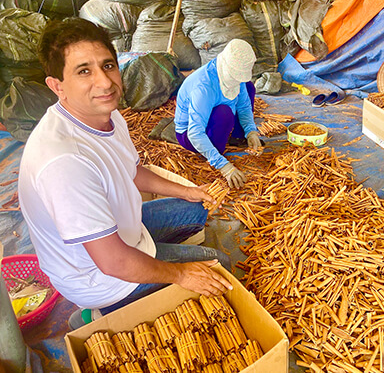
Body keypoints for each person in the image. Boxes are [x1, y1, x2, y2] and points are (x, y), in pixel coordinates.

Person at [18, 18, 233, 330]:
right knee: (218, 265)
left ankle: (149, 277)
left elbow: (130, 171)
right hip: (100, 276)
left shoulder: (107, 114)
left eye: (108, 66)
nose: (105, 83)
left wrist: (188, 191)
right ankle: (102, 310)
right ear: (57, 86)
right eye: (84, 71)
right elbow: (113, 261)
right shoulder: (63, 161)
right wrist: (182, 274)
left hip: (121, 232)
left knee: (196, 209)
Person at [174, 39, 261, 189]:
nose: (238, 81)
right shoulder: (204, 87)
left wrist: (251, 131)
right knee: (223, 113)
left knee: (248, 87)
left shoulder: (232, 75)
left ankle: (237, 137)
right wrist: (224, 166)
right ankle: (214, 151)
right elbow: (195, 133)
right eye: (236, 76)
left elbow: (244, 105)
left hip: (214, 117)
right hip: (189, 135)